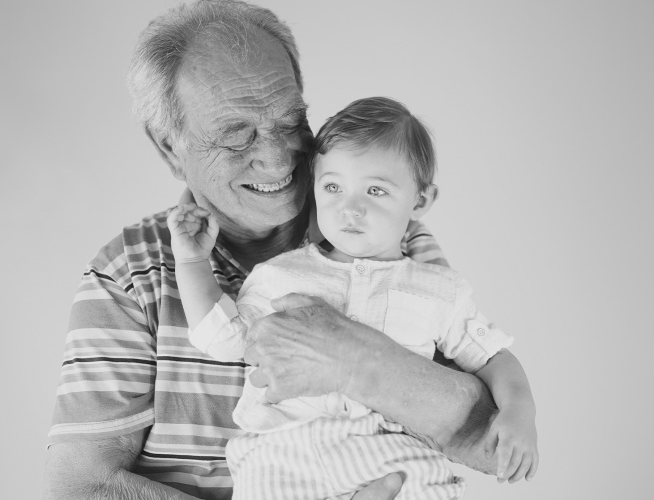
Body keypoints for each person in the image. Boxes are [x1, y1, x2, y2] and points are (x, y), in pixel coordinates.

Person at [44, 2, 503, 499]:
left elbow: (487, 441)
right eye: (235, 136)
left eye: (290, 123)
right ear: (170, 148)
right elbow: (82, 485)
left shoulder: (386, 240)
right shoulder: (126, 274)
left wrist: (355, 359)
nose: (276, 157)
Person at [167, 97, 539, 499]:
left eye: (375, 190)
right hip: (283, 452)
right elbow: (222, 338)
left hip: (391, 452)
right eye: (333, 187)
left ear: (420, 201)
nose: (351, 208)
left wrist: (521, 413)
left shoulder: (440, 290)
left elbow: (492, 357)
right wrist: (191, 262)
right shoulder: (281, 275)